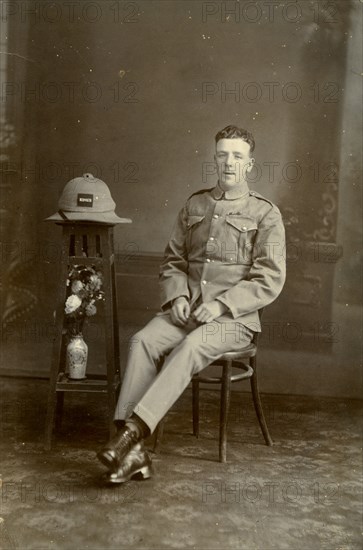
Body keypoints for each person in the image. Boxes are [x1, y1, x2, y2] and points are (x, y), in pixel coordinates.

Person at [96, 124, 286, 483]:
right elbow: (173, 261)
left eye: (238, 156)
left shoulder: (265, 214)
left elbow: (270, 278)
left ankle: (130, 434)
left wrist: (221, 306)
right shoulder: (194, 204)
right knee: (143, 341)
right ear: (214, 158)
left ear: (250, 164)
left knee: (192, 345)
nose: (229, 162)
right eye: (222, 154)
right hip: (186, 311)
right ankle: (134, 453)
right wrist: (178, 295)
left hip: (235, 319)